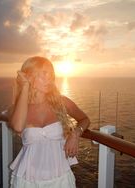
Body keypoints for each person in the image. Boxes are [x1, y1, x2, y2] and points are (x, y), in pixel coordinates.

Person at [8, 56, 90, 188]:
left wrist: (75, 134)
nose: (49, 79)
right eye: (43, 74)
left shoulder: (61, 102)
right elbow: (17, 126)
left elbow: (84, 119)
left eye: (51, 74)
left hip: (60, 178)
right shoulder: (19, 108)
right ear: (29, 76)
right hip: (28, 180)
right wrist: (24, 87)